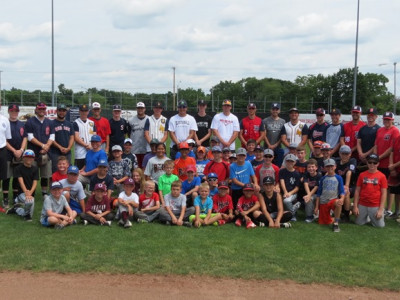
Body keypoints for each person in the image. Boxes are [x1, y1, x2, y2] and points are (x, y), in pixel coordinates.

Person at [24, 102, 54, 195]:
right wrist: (43, 145)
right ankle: (30, 193)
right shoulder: (30, 122)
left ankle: (44, 193)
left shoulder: (49, 122)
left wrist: (47, 146)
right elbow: (30, 137)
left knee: (45, 175)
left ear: (45, 110)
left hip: (46, 153)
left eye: (43, 109)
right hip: (33, 153)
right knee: (31, 174)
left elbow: (52, 136)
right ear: (36, 110)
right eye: (40, 109)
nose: (42, 110)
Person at [374, 112, 400, 218]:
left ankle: (389, 209)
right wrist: (375, 158)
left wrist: (379, 158)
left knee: (390, 187)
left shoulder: (395, 131)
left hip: (387, 163)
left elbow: (391, 149)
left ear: (393, 120)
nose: (387, 121)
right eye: (385, 119)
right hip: (379, 163)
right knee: (380, 186)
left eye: (389, 119)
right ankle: (382, 207)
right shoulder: (380, 129)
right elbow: (376, 144)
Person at [353, 154, 387, 227]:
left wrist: (381, 210)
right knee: (358, 223)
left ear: (378, 164)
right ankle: (367, 216)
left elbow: (384, 193)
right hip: (362, 203)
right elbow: (357, 191)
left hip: (375, 204)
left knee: (380, 226)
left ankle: (371, 215)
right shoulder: (362, 175)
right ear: (367, 163)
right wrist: (355, 206)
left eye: (375, 163)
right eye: (370, 162)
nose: (372, 164)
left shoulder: (382, 176)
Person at [4, 104, 26, 209]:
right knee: (7, 177)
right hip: (8, 153)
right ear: (8, 111)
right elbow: (4, 139)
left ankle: (16, 198)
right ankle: (5, 198)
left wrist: (21, 150)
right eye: (12, 111)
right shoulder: (5, 123)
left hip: (20, 154)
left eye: (16, 111)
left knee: (17, 177)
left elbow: (25, 138)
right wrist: (14, 151)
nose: (14, 113)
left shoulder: (21, 124)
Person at [6, 149, 38, 221]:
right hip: (21, 193)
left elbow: (35, 182)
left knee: (30, 209)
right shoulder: (18, 168)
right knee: (30, 202)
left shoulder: (35, 169)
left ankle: (16, 210)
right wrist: (26, 193)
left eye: (31, 157)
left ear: (33, 159)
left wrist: (30, 192)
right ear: (23, 158)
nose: (29, 159)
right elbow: (21, 182)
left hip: (30, 193)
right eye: (27, 157)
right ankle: (26, 214)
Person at [315, 159, 345, 233]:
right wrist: (316, 207)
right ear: (325, 168)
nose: (330, 168)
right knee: (324, 223)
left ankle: (336, 222)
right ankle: (333, 216)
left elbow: (342, 191)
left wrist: (342, 199)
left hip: (333, 200)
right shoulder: (323, 178)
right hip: (323, 201)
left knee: (338, 203)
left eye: (331, 166)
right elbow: (319, 193)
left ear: (335, 166)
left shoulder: (338, 178)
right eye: (327, 166)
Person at [50, 103, 75, 172]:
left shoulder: (69, 124)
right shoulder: (52, 123)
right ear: (56, 111)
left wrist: (69, 148)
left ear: (66, 112)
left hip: (67, 152)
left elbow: (72, 137)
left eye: (63, 111)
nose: (62, 112)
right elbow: (51, 138)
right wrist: (60, 147)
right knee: (55, 171)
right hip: (55, 152)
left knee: (68, 171)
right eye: (60, 110)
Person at [335, 145, 357, 222]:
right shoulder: (336, 161)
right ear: (339, 153)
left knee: (345, 192)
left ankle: (346, 216)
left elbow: (349, 173)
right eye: (343, 153)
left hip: (351, 185)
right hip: (338, 185)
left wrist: (346, 186)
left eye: (346, 154)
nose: (344, 156)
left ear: (350, 154)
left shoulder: (352, 161)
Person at [74, 104, 96, 169]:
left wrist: (91, 145)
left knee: (91, 169)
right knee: (79, 171)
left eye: (85, 111)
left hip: (91, 149)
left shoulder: (92, 123)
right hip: (80, 152)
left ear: (88, 112)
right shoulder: (76, 123)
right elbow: (76, 137)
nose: (84, 112)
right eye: (82, 111)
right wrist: (86, 145)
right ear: (79, 111)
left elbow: (94, 136)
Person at [279, 154, 301, 221]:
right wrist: (285, 192)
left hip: (293, 193)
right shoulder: (282, 171)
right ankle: (294, 208)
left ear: (294, 162)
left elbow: (297, 188)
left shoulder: (297, 174)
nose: (290, 163)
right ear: (285, 162)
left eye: (291, 161)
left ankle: (292, 214)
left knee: (286, 201)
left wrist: (290, 193)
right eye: (288, 161)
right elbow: (282, 181)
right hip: (283, 192)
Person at [262, 103, 285, 167]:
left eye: (276, 109)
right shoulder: (265, 120)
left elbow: (282, 136)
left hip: (278, 147)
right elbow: (263, 134)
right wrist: (269, 145)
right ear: (271, 110)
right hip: (267, 147)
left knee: (278, 167)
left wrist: (275, 145)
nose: (275, 111)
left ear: (279, 110)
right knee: (267, 166)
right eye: (273, 109)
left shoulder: (283, 121)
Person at [128, 102, 149, 168]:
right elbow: (128, 134)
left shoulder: (149, 119)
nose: (140, 109)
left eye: (142, 108)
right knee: (135, 168)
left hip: (146, 148)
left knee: (145, 168)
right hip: (135, 149)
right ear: (136, 109)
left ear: (144, 109)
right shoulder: (130, 120)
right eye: (139, 108)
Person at [302, 159, 322, 223]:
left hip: (318, 194)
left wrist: (309, 195)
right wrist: (309, 195)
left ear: (316, 167)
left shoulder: (319, 175)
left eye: (312, 167)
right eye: (309, 167)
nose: (311, 168)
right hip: (310, 193)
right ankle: (309, 216)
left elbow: (316, 187)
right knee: (308, 199)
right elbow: (306, 184)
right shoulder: (306, 174)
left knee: (309, 198)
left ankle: (316, 213)